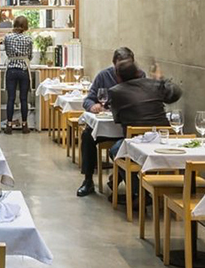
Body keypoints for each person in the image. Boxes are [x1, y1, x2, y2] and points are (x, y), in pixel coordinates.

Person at [77, 55, 182, 197]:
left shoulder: (115, 91)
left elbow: (118, 118)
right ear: (138, 73)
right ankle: (118, 183)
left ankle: (138, 193)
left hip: (135, 138)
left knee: (115, 150)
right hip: (162, 135)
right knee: (97, 138)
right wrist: (161, 81)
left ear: (118, 77)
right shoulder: (154, 85)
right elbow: (176, 93)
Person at [1, 16, 34, 131]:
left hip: (11, 69)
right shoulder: (28, 39)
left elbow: (6, 52)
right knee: (23, 98)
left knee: (11, 98)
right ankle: (24, 125)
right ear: (25, 26)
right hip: (23, 70)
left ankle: (9, 125)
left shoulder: (8, 37)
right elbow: (30, 56)